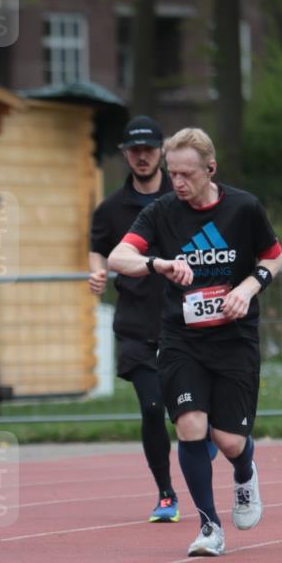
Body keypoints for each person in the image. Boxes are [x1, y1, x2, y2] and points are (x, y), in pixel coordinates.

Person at [108, 127, 282, 557]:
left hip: (234, 340)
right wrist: (157, 263)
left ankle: (244, 472)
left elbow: (274, 256)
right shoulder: (163, 212)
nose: (178, 183)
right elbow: (118, 257)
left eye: (187, 174)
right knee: (189, 425)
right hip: (182, 338)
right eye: (173, 174)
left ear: (211, 169)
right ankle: (209, 527)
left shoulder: (243, 208)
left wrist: (246, 289)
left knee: (228, 442)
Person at [88, 115, 181, 522]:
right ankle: (165, 494)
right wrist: (96, 271)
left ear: (162, 152)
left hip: (184, 319)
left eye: (149, 149)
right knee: (151, 407)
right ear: (126, 155)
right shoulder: (110, 208)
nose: (142, 157)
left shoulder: (184, 198)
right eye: (134, 151)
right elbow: (98, 247)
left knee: (193, 410)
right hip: (137, 323)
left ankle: (212, 435)